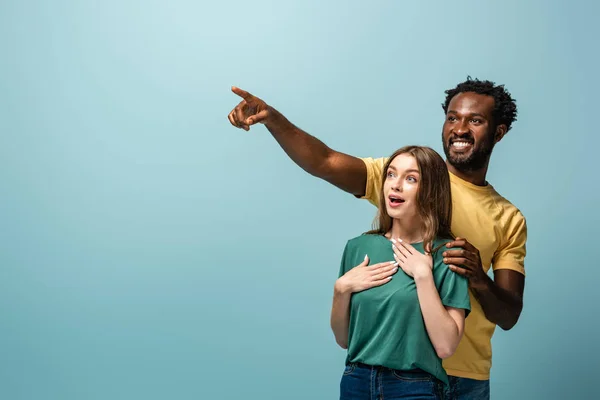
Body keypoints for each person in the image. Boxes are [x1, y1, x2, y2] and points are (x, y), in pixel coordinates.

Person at [227, 77, 527, 400]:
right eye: (453, 118)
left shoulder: (508, 218)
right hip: (393, 371)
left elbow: (509, 314)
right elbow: (324, 161)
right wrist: (272, 118)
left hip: (465, 377)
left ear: (499, 132)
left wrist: (478, 276)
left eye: (476, 120)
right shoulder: (406, 174)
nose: (460, 129)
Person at [331, 145, 470, 399]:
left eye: (411, 179)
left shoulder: (447, 253)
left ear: (430, 191)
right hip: (356, 382)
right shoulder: (358, 247)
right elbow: (344, 340)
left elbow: (446, 345)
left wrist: (423, 276)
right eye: (391, 175)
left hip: (413, 386)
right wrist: (341, 290)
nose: (395, 185)